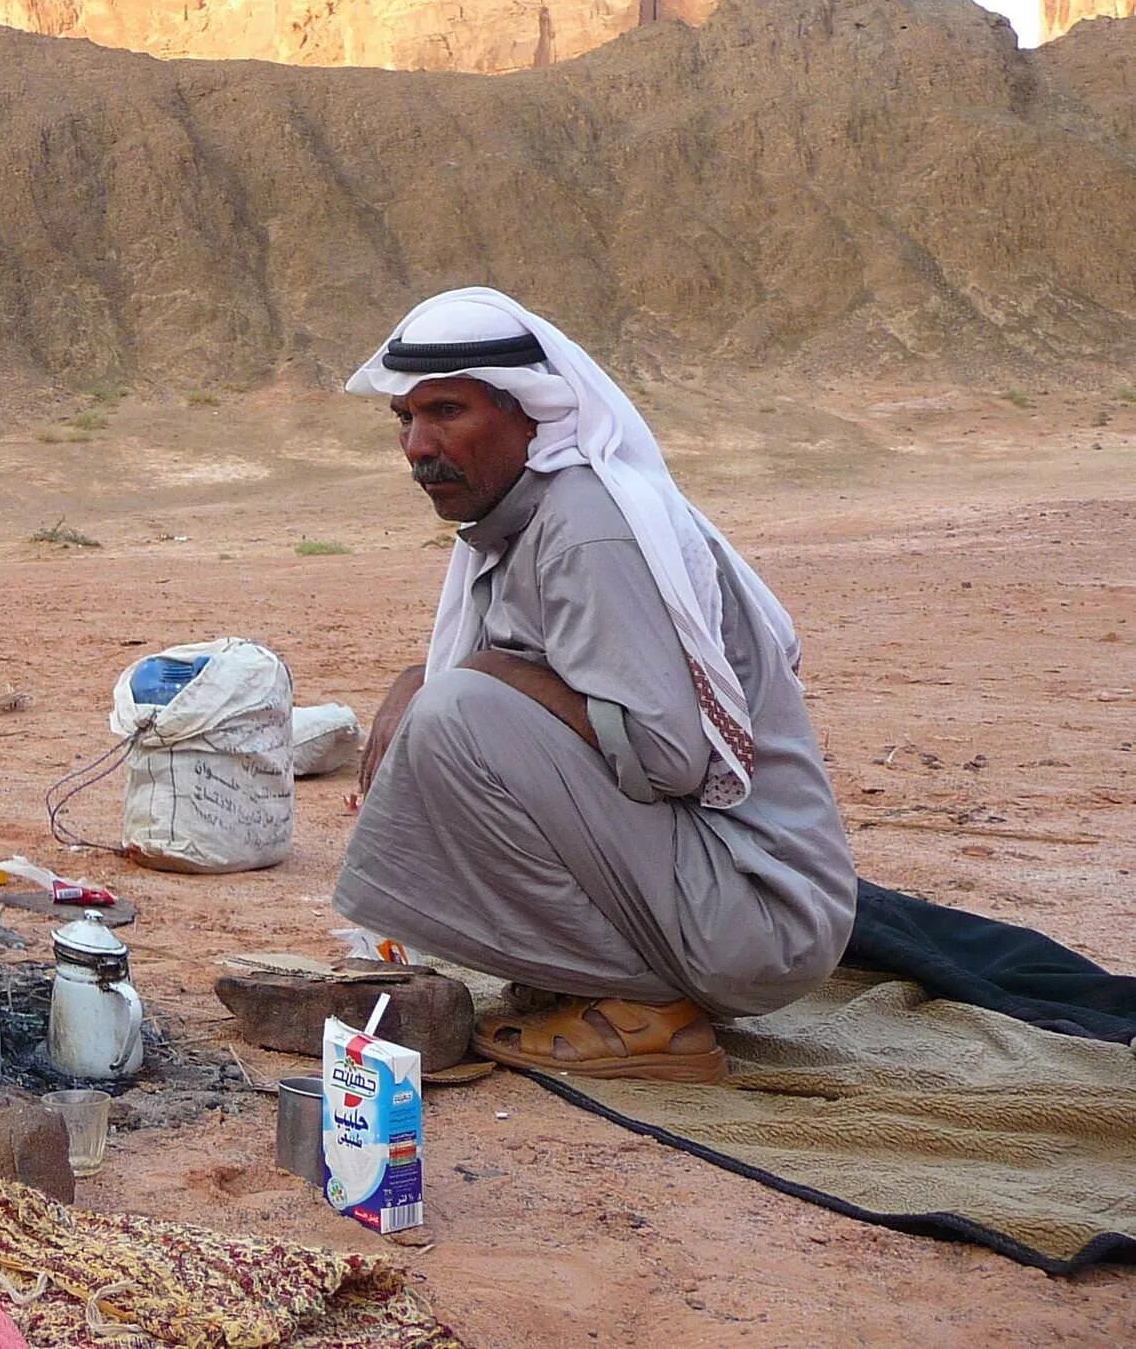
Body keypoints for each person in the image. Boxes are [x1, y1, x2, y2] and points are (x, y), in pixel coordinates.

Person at [334, 289, 854, 1082]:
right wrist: (422, 677)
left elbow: (667, 755)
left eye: (445, 411)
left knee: (459, 712)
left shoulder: (585, 525)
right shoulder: (527, 520)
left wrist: (473, 676)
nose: (416, 445)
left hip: (756, 918)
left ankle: (647, 1006)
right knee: (445, 701)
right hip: (710, 896)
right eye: (403, 418)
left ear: (534, 416)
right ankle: (594, 979)